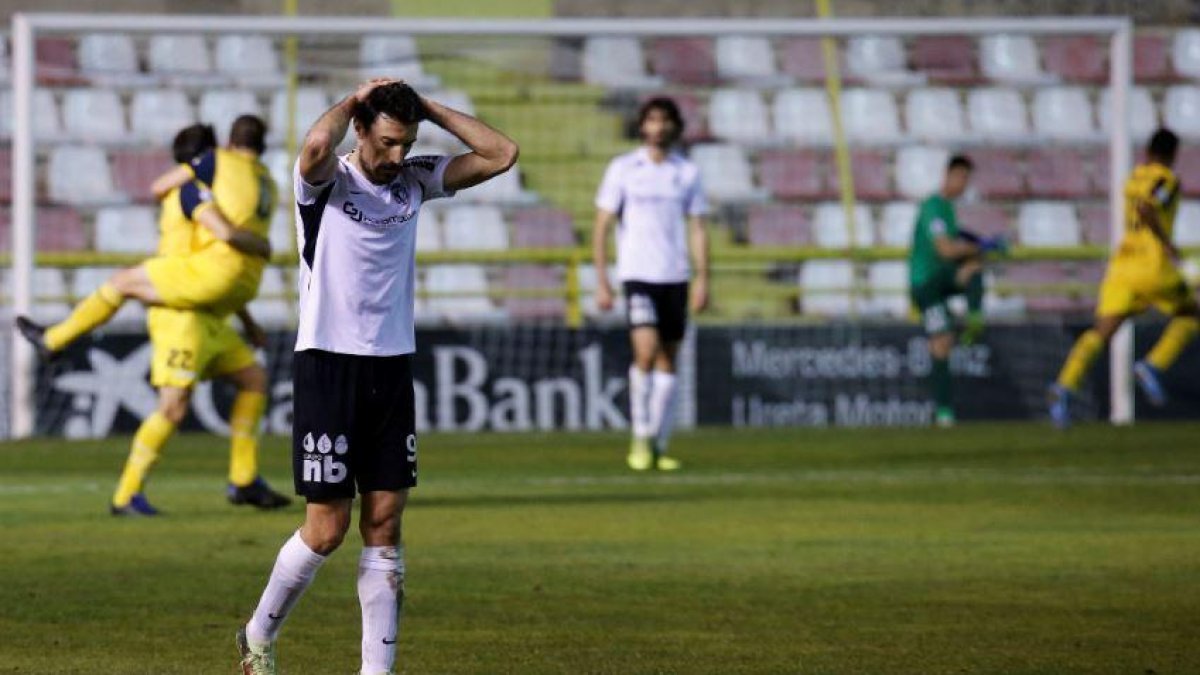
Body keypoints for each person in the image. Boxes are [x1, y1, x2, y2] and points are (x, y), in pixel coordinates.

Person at [235, 79, 518, 675]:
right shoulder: (325, 183)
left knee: (385, 522)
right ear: (360, 130)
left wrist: (427, 108)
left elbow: (502, 154)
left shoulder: (414, 180)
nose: (395, 157)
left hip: (390, 368)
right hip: (327, 365)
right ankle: (258, 636)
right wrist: (355, 97)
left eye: (405, 143)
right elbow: (313, 145)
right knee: (326, 530)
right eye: (387, 142)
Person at [110, 123, 290, 516]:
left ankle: (244, 479)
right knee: (173, 407)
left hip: (207, 311)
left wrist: (247, 320)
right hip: (183, 312)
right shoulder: (191, 194)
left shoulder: (205, 194)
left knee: (253, 379)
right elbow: (208, 260)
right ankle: (126, 495)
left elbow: (216, 271)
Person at [15, 115, 276, 357]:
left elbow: (163, 191)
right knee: (252, 380)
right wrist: (251, 321)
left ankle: (54, 340)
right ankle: (53, 340)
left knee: (121, 283)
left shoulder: (195, 186)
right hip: (242, 284)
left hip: (187, 299)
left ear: (228, 144)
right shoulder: (269, 183)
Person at [1049, 128, 1198, 427]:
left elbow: (1137, 203)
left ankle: (1064, 386)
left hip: (1122, 266)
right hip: (1152, 265)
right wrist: (1167, 244)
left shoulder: (1133, 177)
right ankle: (1152, 366)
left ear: (1148, 151)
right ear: (1172, 155)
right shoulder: (1166, 180)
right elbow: (1148, 206)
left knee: (1102, 331)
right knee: (1192, 314)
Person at [592, 96, 709, 472]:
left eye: (664, 120)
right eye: (652, 120)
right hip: (638, 275)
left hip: (675, 275)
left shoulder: (686, 172)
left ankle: (659, 442)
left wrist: (703, 277)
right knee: (644, 352)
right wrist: (603, 281)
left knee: (668, 359)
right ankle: (640, 436)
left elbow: (697, 227)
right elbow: (602, 226)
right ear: (642, 126)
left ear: (674, 126)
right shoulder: (624, 169)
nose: (658, 127)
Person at [908, 155, 1006, 427]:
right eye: (961, 177)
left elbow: (957, 243)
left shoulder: (947, 210)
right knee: (941, 342)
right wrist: (981, 248)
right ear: (948, 175)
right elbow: (946, 249)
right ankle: (943, 411)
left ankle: (975, 318)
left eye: (967, 179)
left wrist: (978, 247)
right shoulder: (934, 207)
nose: (964, 184)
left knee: (973, 269)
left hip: (941, 281)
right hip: (926, 285)